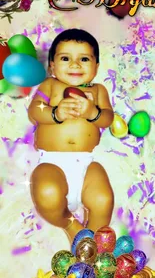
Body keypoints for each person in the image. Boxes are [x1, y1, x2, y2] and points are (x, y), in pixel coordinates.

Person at [28, 28, 114, 243]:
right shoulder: (49, 85)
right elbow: (35, 110)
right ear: (52, 66)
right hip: (52, 163)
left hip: (86, 164)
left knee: (104, 199)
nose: (75, 65)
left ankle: (89, 246)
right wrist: (56, 113)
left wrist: (92, 112)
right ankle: (69, 223)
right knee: (47, 194)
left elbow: (107, 118)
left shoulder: (98, 91)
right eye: (65, 58)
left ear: (96, 67)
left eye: (84, 59)